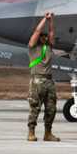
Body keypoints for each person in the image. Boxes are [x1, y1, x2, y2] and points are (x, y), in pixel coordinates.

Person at [27, 11, 60, 143]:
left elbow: (52, 33)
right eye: (42, 36)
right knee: (35, 107)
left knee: (51, 109)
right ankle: (31, 132)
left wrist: (51, 21)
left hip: (49, 81)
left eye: (45, 36)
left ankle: (48, 133)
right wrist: (45, 19)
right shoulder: (32, 47)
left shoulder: (49, 47)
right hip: (37, 80)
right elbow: (36, 31)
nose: (45, 37)